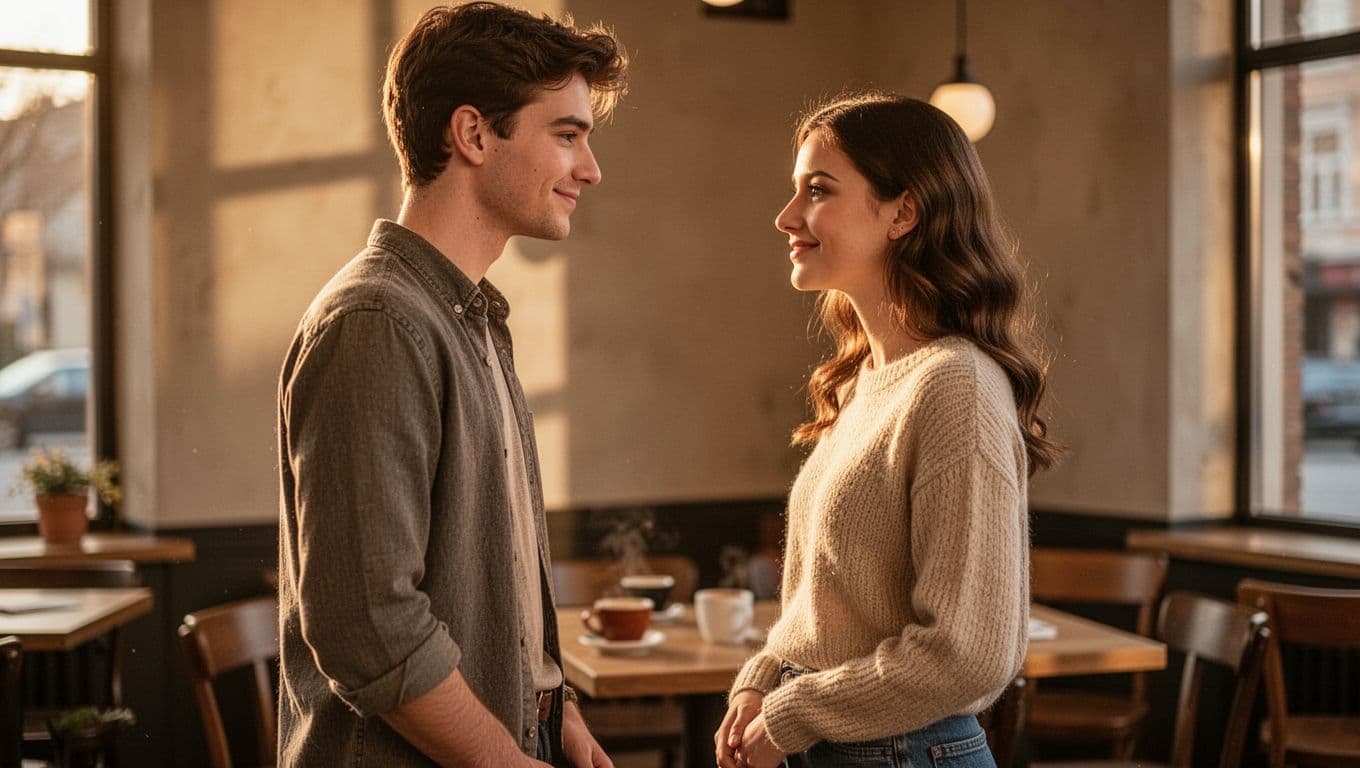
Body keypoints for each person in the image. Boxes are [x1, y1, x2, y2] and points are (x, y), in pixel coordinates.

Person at [275, 3, 627, 766]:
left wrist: (551, 710)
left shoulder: (469, 317)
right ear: (472, 134)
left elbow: (490, 580)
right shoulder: (378, 321)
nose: (591, 169)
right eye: (566, 135)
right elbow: (369, 625)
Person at [714, 93, 1062, 768]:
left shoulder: (955, 386)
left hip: (907, 753)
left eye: (817, 191)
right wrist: (765, 675)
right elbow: (837, 605)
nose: (787, 217)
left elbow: (969, 655)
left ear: (904, 211)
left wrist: (796, 711)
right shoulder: (865, 382)